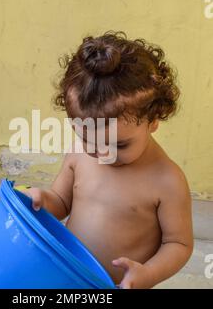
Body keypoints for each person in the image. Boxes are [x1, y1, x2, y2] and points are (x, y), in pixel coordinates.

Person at [22, 31, 193, 289]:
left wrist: (147, 274)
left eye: (118, 144)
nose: (102, 153)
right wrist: (40, 201)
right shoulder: (79, 153)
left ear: (154, 119)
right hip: (68, 276)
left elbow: (178, 244)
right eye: (87, 138)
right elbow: (60, 201)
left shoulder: (166, 180)